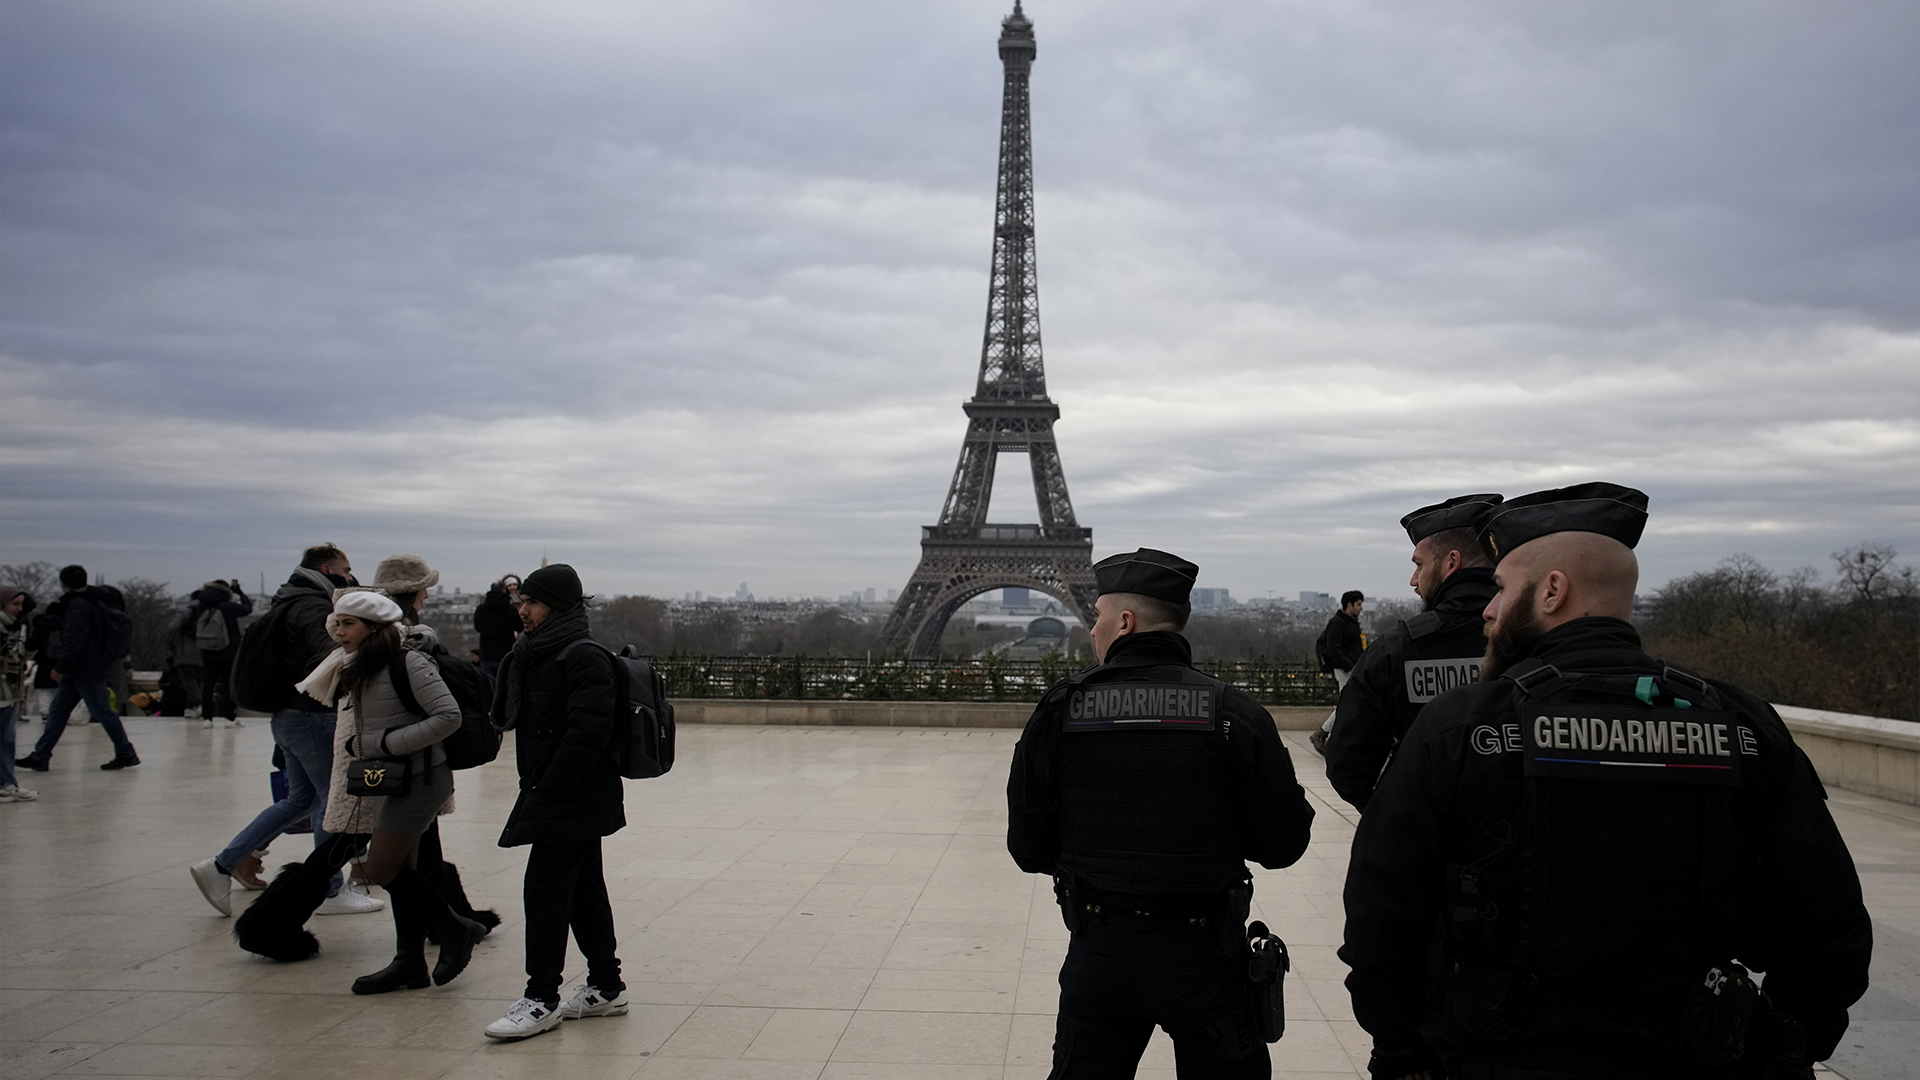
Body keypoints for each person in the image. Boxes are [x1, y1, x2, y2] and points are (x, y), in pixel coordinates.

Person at [1340, 483, 1874, 1080]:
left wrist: (1400, 1045)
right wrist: (1781, 1046)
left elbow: (1382, 919)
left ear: (1551, 591)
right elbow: (1831, 932)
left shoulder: (1461, 729)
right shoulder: (1742, 725)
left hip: (1501, 1053)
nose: (1486, 611)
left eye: (1501, 589)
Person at [1007, 548, 1316, 1079]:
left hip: (1099, 946)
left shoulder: (1063, 709)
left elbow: (1028, 846)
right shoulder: (1232, 713)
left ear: (1124, 623)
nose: (1092, 631)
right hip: (1204, 953)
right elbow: (1283, 845)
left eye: (1098, 617)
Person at [232, 588, 485, 981]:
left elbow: (448, 716)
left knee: (383, 868)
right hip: (383, 778)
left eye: (347, 623)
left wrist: (379, 744)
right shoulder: (355, 666)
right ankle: (411, 961)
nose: (337, 631)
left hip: (417, 780)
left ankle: (456, 929)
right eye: (336, 623)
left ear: (373, 627)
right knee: (405, 868)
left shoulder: (408, 663)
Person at [189, 544, 384, 917]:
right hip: (314, 714)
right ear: (327, 569)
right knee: (331, 800)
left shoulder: (287, 600)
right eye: (345, 569)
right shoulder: (313, 607)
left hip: (289, 715)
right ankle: (329, 890)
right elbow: (332, 656)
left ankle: (221, 865)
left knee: (301, 801)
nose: (349, 575)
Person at [484, 563, 629, 1041]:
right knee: (584, 891)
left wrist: (548, 786)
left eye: (533, 602)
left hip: (570, 794)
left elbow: (589, 732)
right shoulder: (540, 652)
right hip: (564, 791)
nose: (522, 611)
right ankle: (607, 986)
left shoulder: (582, 656)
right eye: (521, 601)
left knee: (544, 892)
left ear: (559, 607)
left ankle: (541, 998)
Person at [1322, 494, 1503, 810]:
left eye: (1419, 565)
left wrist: (1401, 818)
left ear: (1451, 562)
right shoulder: (1536, 642)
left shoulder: (1396, 651)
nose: (1413, 580)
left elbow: (1347, 764)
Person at [370, 553, 502, 937]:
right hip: (403, 763)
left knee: (397, 860)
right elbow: (447, 714)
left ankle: (434, 936)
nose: (428, 595)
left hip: (397, 764)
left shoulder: (389, 643)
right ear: (412, 593)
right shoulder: (409, 646)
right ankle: (449, 926)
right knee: (398, 860)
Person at [15, 565, 139, 771]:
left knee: (101, 711)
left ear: (62, 583)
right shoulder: (93, 601)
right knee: (58, 711)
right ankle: (41, 754)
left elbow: (75, 638)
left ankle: (126, 752)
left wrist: (61, 665)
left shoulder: (78, 605)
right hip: (84, 667)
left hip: (84, 667)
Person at [1309, 591, 1367, 756]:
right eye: (1358, 604)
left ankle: (1325, 734)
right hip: (1344, 669)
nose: (1361, 608)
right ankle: (1322, 733)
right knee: (1347, 703)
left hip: (1350, 668)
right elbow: (1333, 649)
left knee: (1349, 703)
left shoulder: (1350, 622)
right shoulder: (1338, 623)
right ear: (1349, 605)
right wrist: (1350, 666)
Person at [190, 579, 253, 726]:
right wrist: (240, 592)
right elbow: (247, 608)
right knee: (227, 684)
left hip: (207, 650)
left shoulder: (200, 605)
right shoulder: (228, 606)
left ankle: (207, 718)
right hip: (228, 650)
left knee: (208, 685)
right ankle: (229, 717)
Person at [1, 586, 40, 802]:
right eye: (14, 604)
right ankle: (6, 784)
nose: (18, 609)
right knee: (5, 737)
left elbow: (18, 655)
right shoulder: (5, 624)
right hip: (5, 688)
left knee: (6, 737)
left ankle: (7, 783)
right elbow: (11, 655)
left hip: (9, 687)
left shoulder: (13, 625)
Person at [473, 579, 521, 681]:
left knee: (489, 684)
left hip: (487, 653)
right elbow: (519, 627)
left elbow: (477, 628)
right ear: (504, 591)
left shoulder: (481, 609)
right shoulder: (510, 609)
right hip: (506, 651)